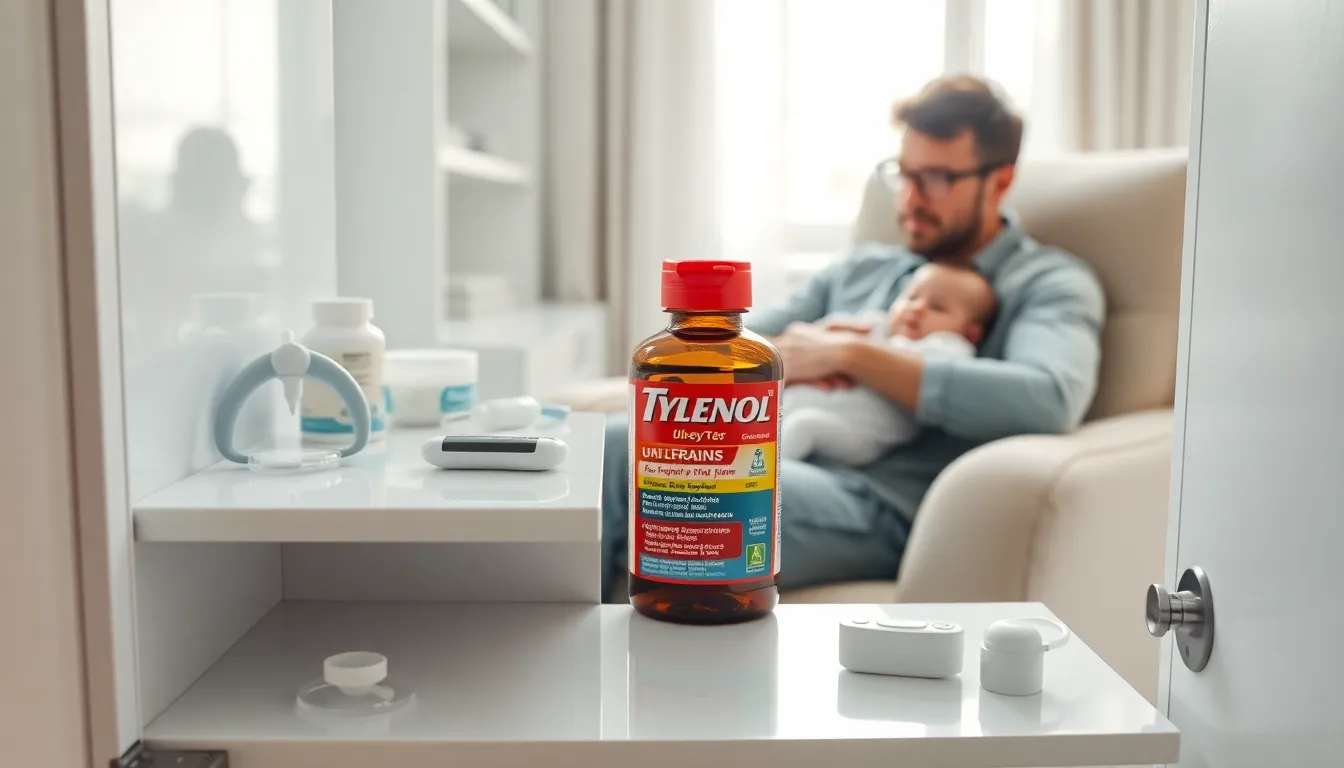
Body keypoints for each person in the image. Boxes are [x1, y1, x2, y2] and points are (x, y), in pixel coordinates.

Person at [600, 74, 1105, 600]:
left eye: (934, 178)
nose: (910, 200)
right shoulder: (862, 270)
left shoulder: (1048, 283)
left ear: (999, 180)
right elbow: (742, 340)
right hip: (781, 455)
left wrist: (853, 356)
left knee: (652, 472)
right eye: (902, 175)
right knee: (613, 447)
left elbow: (1050, 397)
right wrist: (802, 354)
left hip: (878, 502)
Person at [780, 261, 996, 465]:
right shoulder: (877, 325)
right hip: (793, 405)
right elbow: (814, 340)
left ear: (971, 333)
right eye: (911, 297)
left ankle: (770, 476)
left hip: (859, 433)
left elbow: (935, 377)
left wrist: (851, 354)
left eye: (937, 307)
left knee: (804, 425)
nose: (918, 308)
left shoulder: (949, 348)